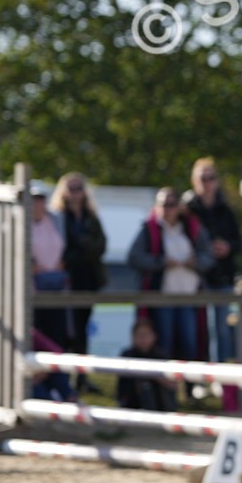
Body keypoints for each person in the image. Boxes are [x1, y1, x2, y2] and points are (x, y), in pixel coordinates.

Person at [128, 188, 214, 363]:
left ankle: (192, 386)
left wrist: (195, 262)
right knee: (164, 341)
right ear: (156, 206)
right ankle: (166, 387)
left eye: (172, 204)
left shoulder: (192, 228)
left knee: (190, 341)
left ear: (179, 207)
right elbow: (134, 258)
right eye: (163, 204)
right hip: (163, 297)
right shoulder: (149, 229)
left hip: (189, 297)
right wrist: (161, 262)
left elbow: (209, 256)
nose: (168, 208)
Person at [50, 172, 107, 394]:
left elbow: (100, 245)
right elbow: (63, 250)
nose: (75, 192)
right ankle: (64, 377)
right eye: (71, 188)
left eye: (79, 188)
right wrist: (82, 250)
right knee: (67, 330)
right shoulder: (58, 217)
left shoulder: (91, 217)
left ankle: (81, 376)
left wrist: (81, 250)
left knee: (82, 329)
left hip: (88, 280)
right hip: (66, 281)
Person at [182, 158, 242, 363]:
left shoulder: (226, 209)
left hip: (222, 276)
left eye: (211, 177)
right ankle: (198, 375)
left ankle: (221, 376)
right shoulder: (186, 209)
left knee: (221, 330)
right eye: (202, 178)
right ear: (194, 181)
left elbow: (239, 242)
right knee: (196, 330)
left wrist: (227, 247)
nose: (207, 182)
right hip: (194, 277)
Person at [29, 180, 71, 351]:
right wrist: (30, 266)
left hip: (56, 286)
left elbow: (65, 248)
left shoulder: (55, 219)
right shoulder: (18, 222)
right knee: (35, 333)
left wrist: (63, 263)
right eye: (33, 198)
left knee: (56, 333)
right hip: (31, 289)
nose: (37, 202)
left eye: (40, 198)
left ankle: (57, 376)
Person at [117, 318, 178, 411]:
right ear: (132, 337)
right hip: (132, 403)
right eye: (139, 335)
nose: (143, 339)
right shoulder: (127, 355)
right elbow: (121, 388)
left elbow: (174, 385)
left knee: (148, 385)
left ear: (154, 336)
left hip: (159, 403)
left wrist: (155, 376)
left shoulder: (161, 355)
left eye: (146, 335)